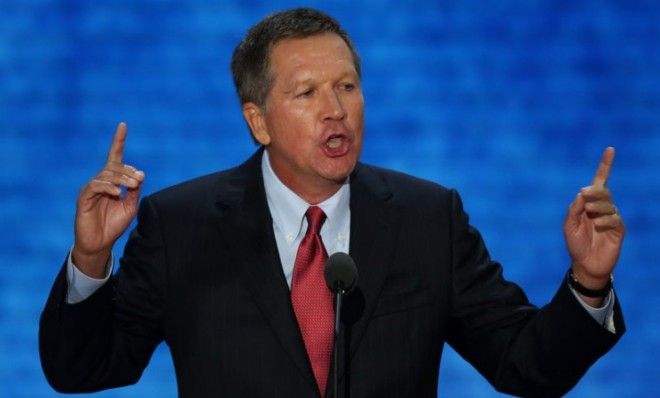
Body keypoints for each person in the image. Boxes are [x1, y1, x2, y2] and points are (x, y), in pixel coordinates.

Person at [39, 8, 625, 398]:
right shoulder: (182, 225)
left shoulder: (427, 218)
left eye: (346, 86)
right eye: (306, 93)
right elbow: (82, 369)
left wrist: (588, 283)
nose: (335, 109)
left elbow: (525, 365)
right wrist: (90, 259)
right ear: (258, 121)